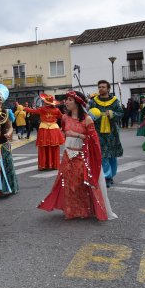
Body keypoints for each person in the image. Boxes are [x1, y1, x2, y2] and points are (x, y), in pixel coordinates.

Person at [38, 91, 117, 221]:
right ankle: (71, 210)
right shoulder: (64, 118)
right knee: (68, 183)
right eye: (66, 100)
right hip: (67, 154)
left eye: (69, 100)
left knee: (80, 184)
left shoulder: (87, 119)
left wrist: (77, 135)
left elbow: (93, 140)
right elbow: (64, 131)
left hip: (81, 155)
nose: (66, 102)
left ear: (77, 102)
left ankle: (84, 210)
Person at [88, 80, 124, 187]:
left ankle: (112, 175)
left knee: (112, 155)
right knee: (103, 154)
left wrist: (112, 114)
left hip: (112, 132)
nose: (101, 89)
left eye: (103, 87)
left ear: (108, 89)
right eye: (99, 87)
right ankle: (106, 177)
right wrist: (92, 116)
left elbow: (121, 113)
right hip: (98, 132)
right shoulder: (93, 101)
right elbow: (89, 114)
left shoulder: (114, 101)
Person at [24, 94, 65, 171]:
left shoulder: (42, 109)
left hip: (44, 129)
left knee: (43, 147)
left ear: (46, 102)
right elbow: (63, 117)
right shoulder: (57, 110)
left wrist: (24, 108)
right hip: (54, 129)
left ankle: (44, 165)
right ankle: (54, 165)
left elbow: (33, 111)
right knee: (54, 147)